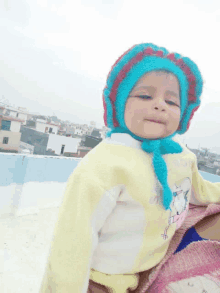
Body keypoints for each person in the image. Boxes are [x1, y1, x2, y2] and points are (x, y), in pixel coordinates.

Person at [39, 43, 220, 293]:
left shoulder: (182, 157)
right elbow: (72, 242)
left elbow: (201, 191)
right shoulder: (105, 164)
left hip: (144, 276)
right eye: (145, 96)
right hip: (98, 281)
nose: (160, 105)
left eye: (171, 100)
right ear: (119, 103)